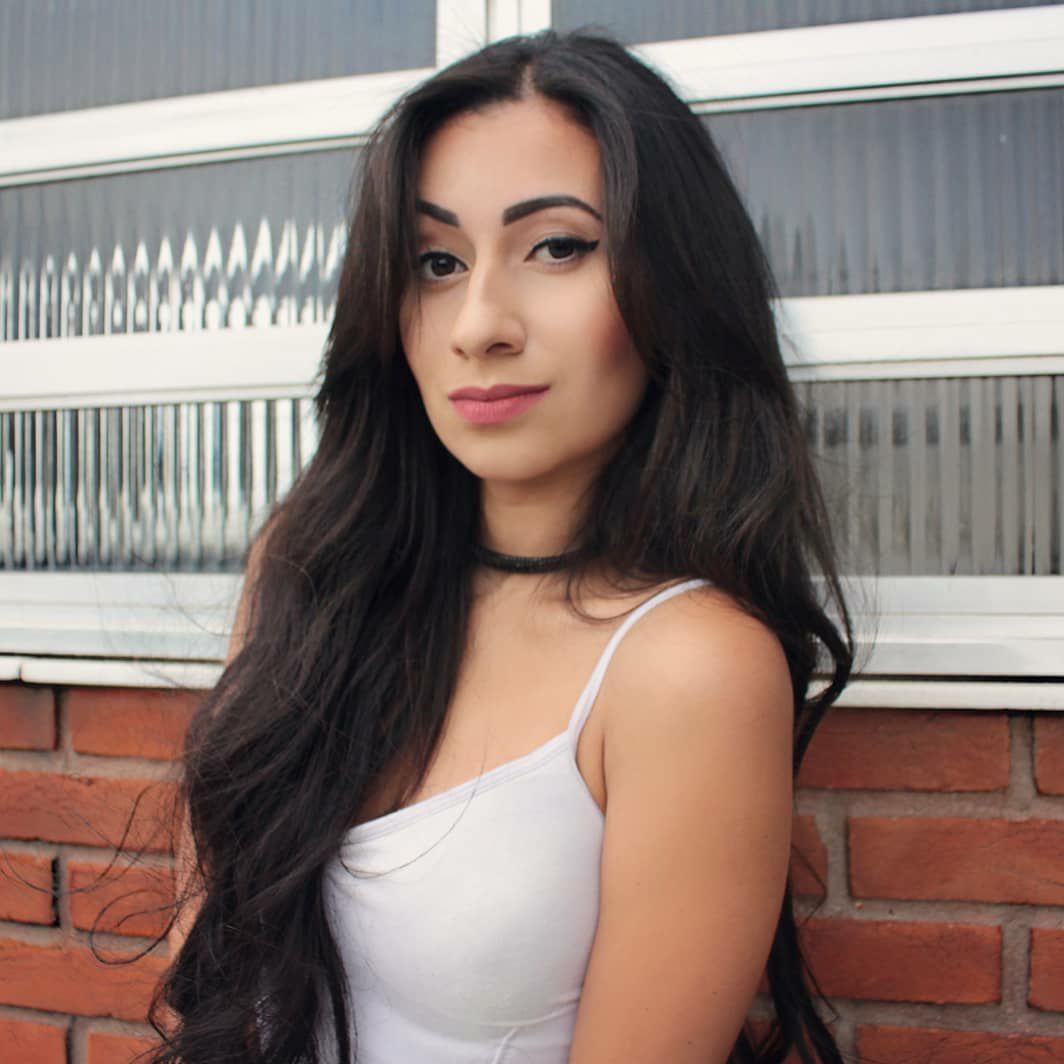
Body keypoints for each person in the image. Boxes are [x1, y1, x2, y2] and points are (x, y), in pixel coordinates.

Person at [152, 27, 853, 1064]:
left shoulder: (687, 667)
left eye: (557, 247)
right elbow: (203, 976)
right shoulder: (311, 568)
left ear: (672, 284)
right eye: (436, 262)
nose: (478, 324)